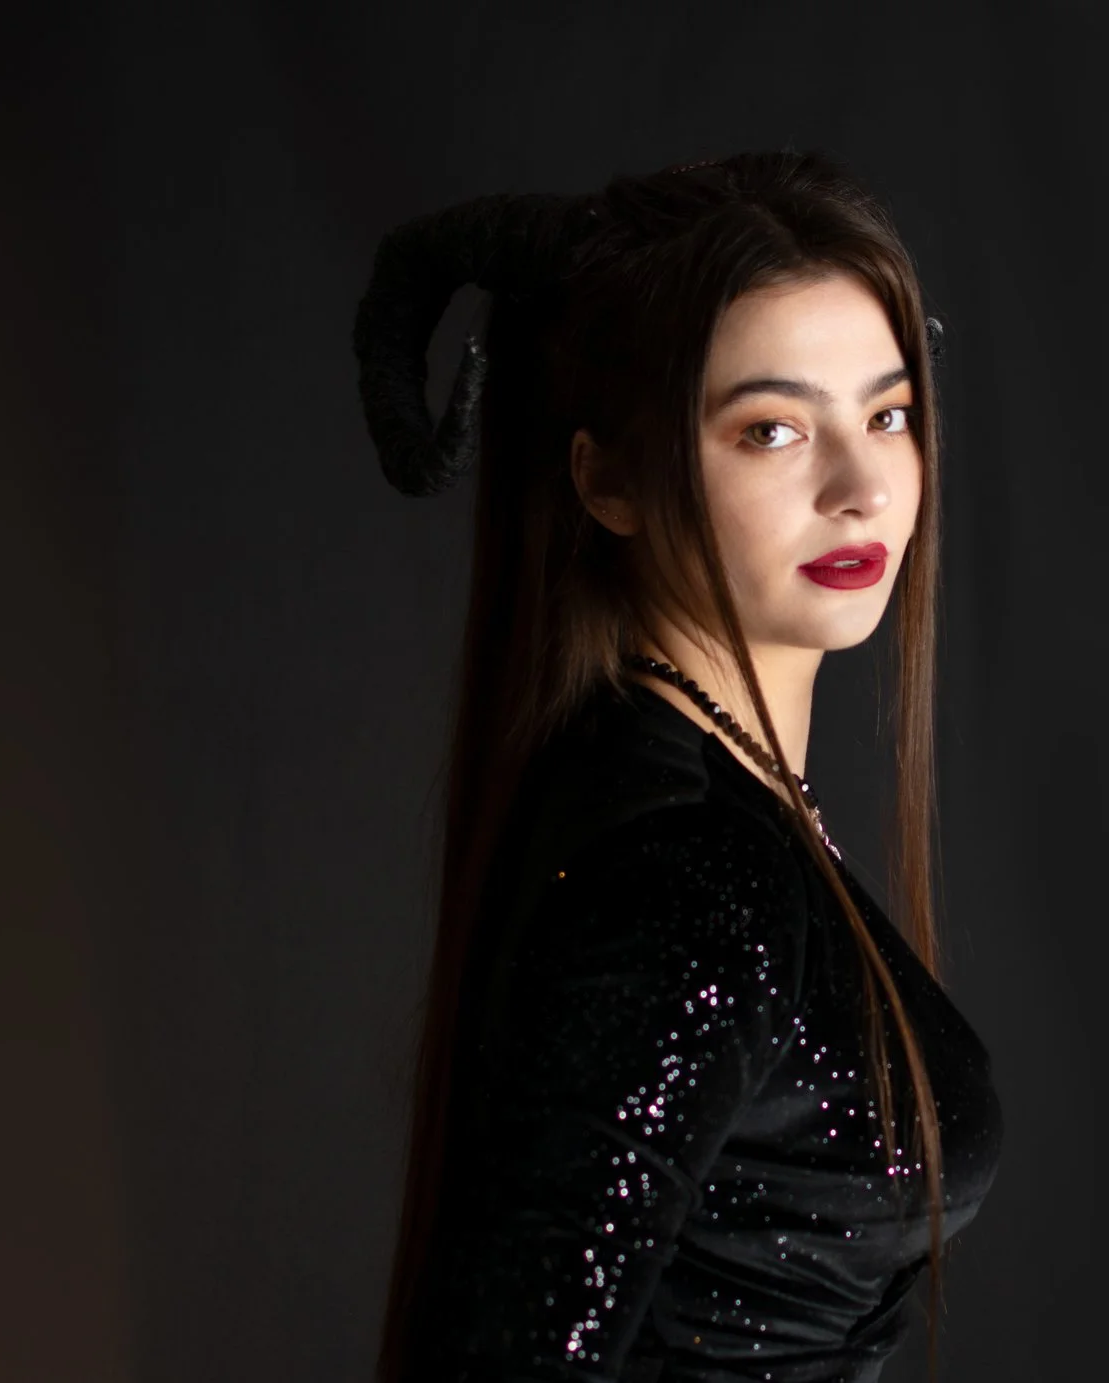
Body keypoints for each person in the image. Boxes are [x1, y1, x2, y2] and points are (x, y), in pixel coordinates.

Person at [356, 149, 1004, 1383]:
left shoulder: (696, 813)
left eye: (887, 415)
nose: (861, 487)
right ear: (606, 480)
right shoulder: (684, 883)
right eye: (771, 429)